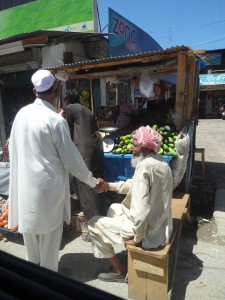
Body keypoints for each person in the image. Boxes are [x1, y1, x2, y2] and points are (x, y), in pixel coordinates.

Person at [8, 70, 102, 272]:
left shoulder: (20, 115)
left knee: (31, 246)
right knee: (49, 246)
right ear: (56, 91)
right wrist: (92, 181)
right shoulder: (55, 120)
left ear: (34, 91)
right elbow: (71, 160)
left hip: (24, 189)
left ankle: (31, 279)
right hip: (47, 192)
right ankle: (47, 284)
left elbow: (12, 149)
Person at [88, 125, 173, 282]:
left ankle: (118, 270)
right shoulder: (162, 163)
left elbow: (142, 211)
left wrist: (137, 239)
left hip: (148, 231)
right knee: (113, 208)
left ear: (145, 147)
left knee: (93, 224)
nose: (130, 147)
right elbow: (131, 185)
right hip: (160, 226)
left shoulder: (144, 167)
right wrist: (108, 186)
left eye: (134, 144)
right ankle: (127, 253)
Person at [63, 93, 110, 240]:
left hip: (82, 151)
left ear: (66, 101)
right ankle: (101, 217)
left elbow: (68, 132)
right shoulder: (88, 110)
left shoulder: (69, 108)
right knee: (96, 183)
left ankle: (94, 227)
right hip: (95, 149)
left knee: (85, 188)